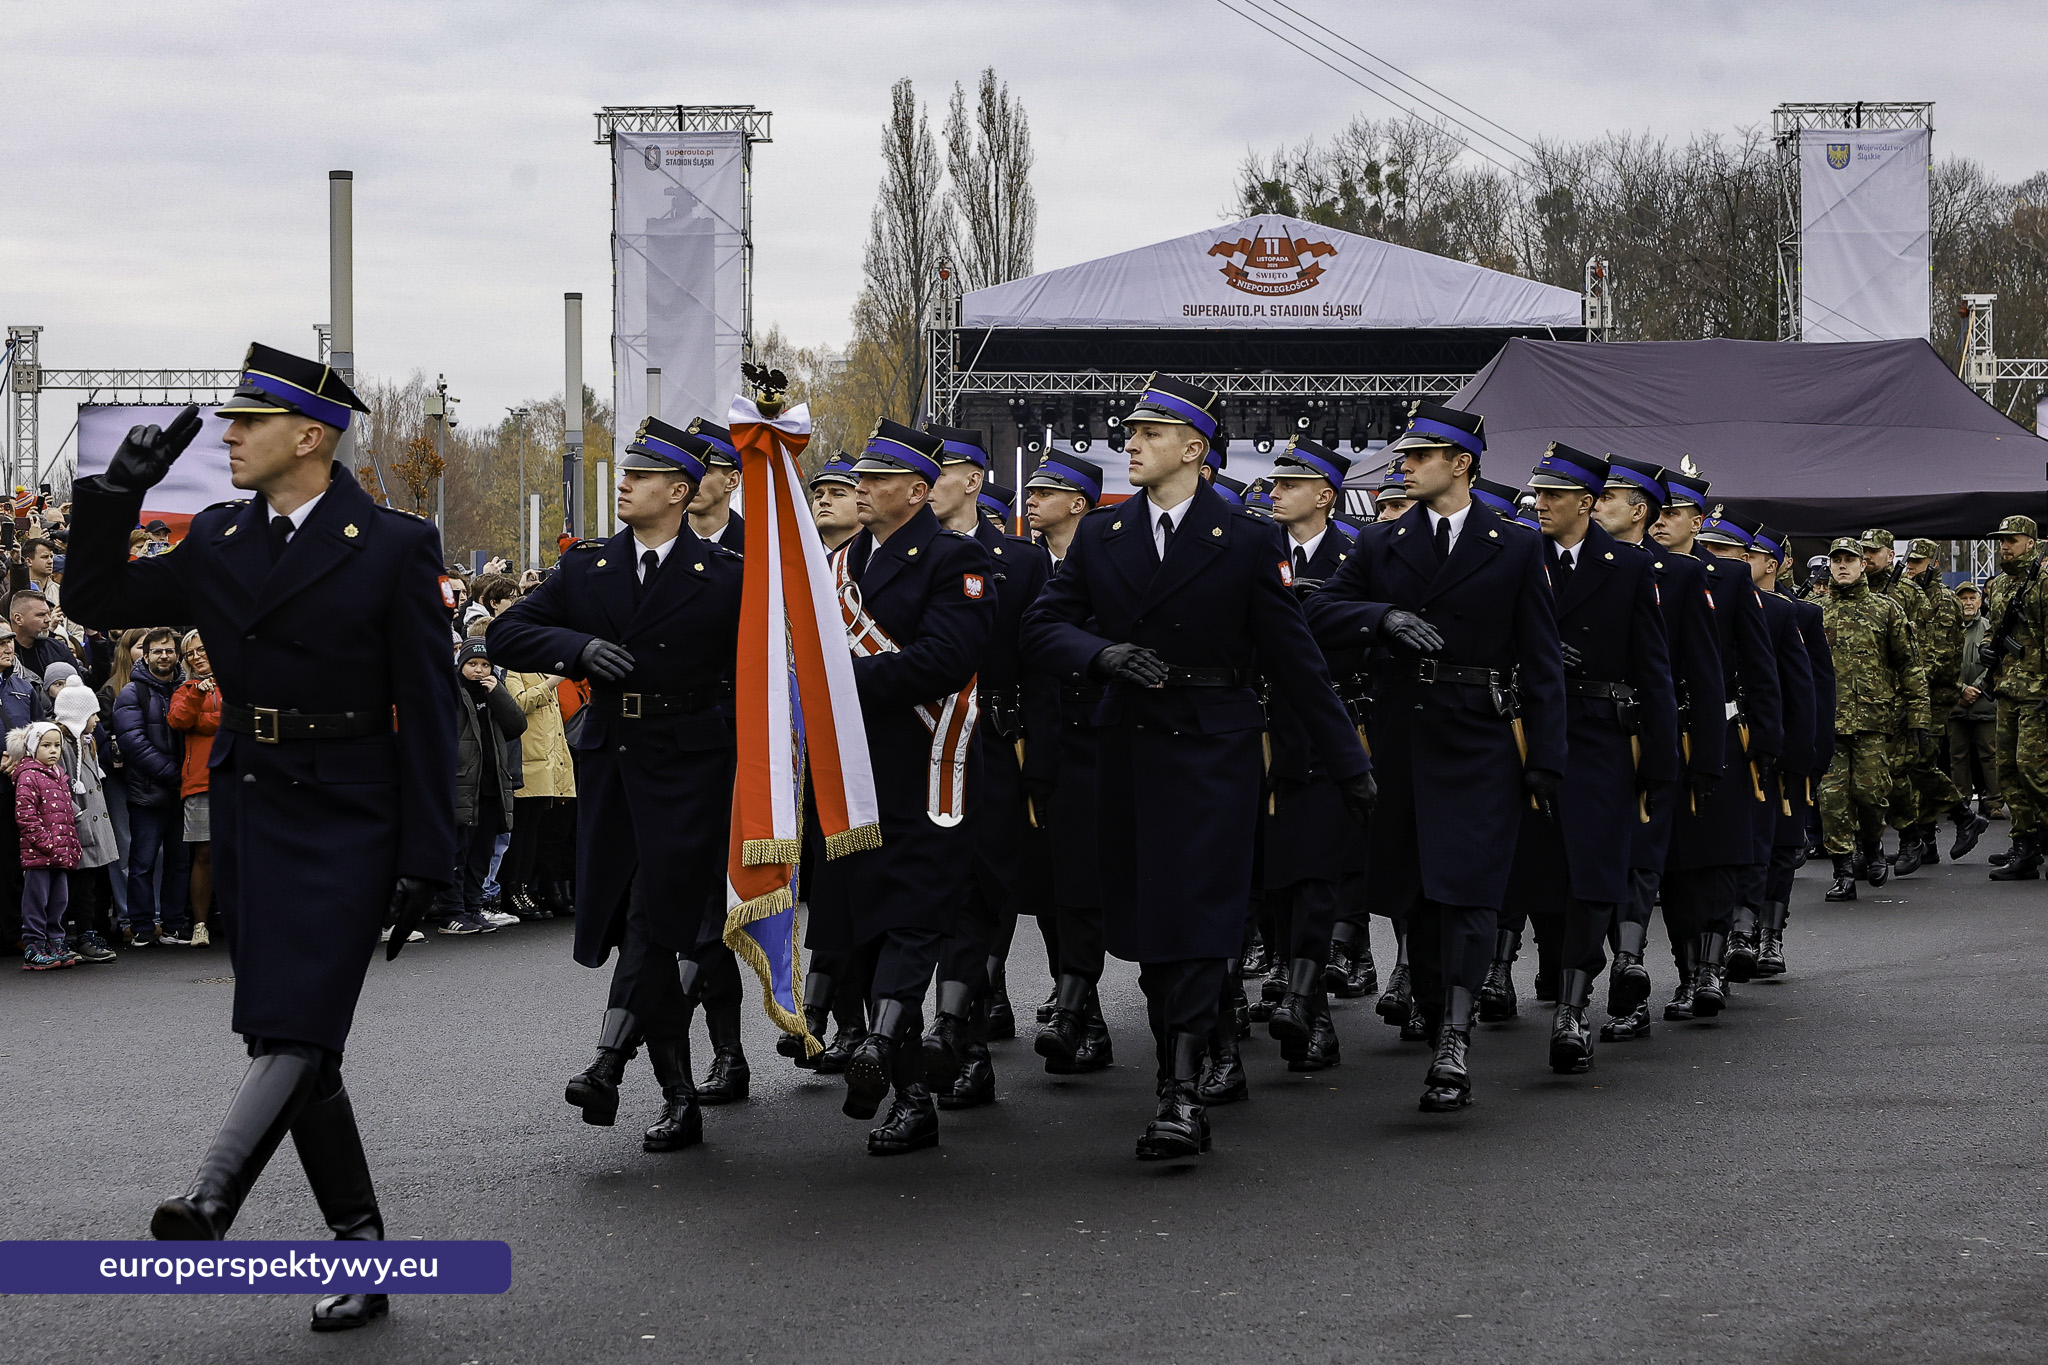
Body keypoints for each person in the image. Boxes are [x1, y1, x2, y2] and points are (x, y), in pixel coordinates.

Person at [63, 343, 457, 1335]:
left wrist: (426, 854)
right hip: (255, 802)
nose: (229, 436)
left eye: (249, 421)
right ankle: (364, 1247)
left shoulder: (394, 543)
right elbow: (95, 605)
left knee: (299, 1023)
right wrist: (117, 490)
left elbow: (430, 705)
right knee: (291, 1034)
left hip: (352, 805)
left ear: (310, 437)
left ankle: (210, 1198)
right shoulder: (218, 536)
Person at [1026, 376, 1370, 1154]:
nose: (1132, 443)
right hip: (1127, 744)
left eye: (1150, 432)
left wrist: (1348, 765)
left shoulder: (1247, 538)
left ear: (1193, 447)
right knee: (1148, 925)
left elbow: (1297, 659)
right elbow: (1043, 627)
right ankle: (1201, 1052)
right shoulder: (1103, 536)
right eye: (1130, 432)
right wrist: (1101, 652)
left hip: (1214, 748)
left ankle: (1179, 1093)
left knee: (1194, 919)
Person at [488, 415, 743, 1155]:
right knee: (644, 925)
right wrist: (578, 648)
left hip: (691, 762)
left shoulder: (724, 573)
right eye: (623, 473)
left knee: (651, 917)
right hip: (611, 758)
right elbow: (505, 635)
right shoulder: (588, 568)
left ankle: (617, 1066)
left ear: (678, 490)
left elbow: (758, 675)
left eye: (637, 476)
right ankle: (677, 1095)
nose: (622, 483)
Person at [1305, 400, 1561, 1112]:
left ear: (1461, 464)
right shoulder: (1382, 543)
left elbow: (1541, 659)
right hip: (1405, 732)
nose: (1404, 466)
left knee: (1471, 889)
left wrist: (1546, 757)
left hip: (1479, 735)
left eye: (1419, 456)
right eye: (1404, 456)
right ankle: (1427, 998)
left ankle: (1455, 1034)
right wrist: (1380, 617)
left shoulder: (1514, 545)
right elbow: (1321, 611)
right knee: (1415, 890)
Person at [812, 419, 993, 1156]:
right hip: (849, 774)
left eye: (877, 477)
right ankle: (913, 1096)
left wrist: (839, 683)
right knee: (862, 928)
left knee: (914, 918)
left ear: (916, 492)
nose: (861, 485)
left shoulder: (955, 559)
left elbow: (946, 658)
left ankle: (885, 1043)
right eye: (860, 475)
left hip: (925, 767)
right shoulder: (833, 564)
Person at [1501, 444, 1677, 1073]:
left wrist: (1660, 765)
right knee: (1535, 869)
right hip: (1530, 732)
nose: (1539, 504)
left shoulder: (1628, 568)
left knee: (1595, 872)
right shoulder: (1518, 555)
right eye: (1536, 494)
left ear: (1586, 501)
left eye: (1553, 494)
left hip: (1601, 737)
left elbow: (1654, 670)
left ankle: (1574, 1011)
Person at [916, 424, 1052, 1111]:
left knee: (986, 889)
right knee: (929, 896)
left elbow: (1042, 662)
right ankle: (951, 1038)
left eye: (938, 472)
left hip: (993, 742)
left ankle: (964, 1030)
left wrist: (1044, 759)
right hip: (917, 744)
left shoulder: (1021, 562)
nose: (925, 483)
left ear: (973, 479)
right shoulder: (903, 557)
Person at [1249, 436, 1368, 1085]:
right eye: (1274, 484)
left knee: (1317, 871)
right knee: (1277, 877)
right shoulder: (1258, 552)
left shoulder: (1356, 553)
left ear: (1325, 494)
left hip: (1330, 729)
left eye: (1290, 484)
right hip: (1267, 730)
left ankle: (1306, 1000)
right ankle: (1306, 1006)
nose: (1275, 493)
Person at [1649, 480, 1780, 1021]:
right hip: (1656, 731)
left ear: (1698, 519)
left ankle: (1710, 968)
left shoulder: (1726, 577)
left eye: (1675, 511)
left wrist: (1767, 740)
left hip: (1719, 731)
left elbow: (1758, 662)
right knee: (1675, 864)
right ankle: (1685, 971)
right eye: (1657, 511)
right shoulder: (1637, 569)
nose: (1662, 520)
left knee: (1717, 858)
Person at [1018, 453, 1116, 1072]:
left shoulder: (1111, 560)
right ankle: (1081, 1008)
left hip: (1110, 733)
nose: (1030, 498)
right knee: (1060, 885)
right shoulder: (1027, 567)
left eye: (1046, 490)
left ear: (1079, 503)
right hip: (1052, 742)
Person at [1817, 538, 1923, 901]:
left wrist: (1919, 717)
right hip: (1827, 722)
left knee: (1871, 794)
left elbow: (1909, 664)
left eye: (1850, 560)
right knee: (1831, 799)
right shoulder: (1814, 611)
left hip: (1874, 721)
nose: (1842, 566)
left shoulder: (1886, 609)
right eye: (1837, 560)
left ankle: (1873, 846)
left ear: (1863, 565)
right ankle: (1843, 870)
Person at [1902, 538, 1989, 863]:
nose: (1912, 567)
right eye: (1910, 561)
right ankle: (1928, 840)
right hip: (1915, 694)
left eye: (1919, 562)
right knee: (1919, 764)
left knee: (1920, 763)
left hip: (1935, 695)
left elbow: (1940, 657)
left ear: (1934, 564)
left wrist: (1907, 678)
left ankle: (1963, 817)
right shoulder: (1909, 596)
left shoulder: (1944, 601)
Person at [433, 640, 526, 933]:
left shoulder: (493, 692)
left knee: (481, 852)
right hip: (461, 782)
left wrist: (497, 691)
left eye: (485, 665)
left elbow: (516, 725)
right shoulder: (450, 691)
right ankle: (452, 912)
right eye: (473, 664)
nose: (479, 670)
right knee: (457, 851)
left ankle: (473, 908)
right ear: (461, 665)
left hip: (491, 783)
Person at [113, 626, 191, 947]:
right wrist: (176, 774)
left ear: (177, 654)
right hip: (148, 794)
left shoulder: (187, 688)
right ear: (145, 656)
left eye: (169, 650)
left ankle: (173, 924)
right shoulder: (132, 693)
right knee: (142, 864)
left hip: (181, 793)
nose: (164, 656)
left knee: (179, 863)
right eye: (157, 651)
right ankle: (142, 926)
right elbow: (134, 744)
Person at [1981, 516, 2048, 878]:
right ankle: (2024, 846)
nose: (2004, 546)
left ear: (2031, 543)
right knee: (2006, 770)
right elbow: (1993, 630)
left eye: (2012, 539)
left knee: (2033, 768)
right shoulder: (2002, 584)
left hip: (2038, 691)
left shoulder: (2043, 582)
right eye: (2001, 540)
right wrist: (1985, 649)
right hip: (2007, 688)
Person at [501, 661, 573, 923]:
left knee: (532, 831)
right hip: (526, 760)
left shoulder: (539, 669)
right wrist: (551, 682)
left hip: (546, 761)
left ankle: (523, 888)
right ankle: (511, 891)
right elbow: (517, 705)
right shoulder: (514, 669)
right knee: (519, 832)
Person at [13, 721, 80, 970]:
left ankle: (55, 941)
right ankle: (34, 945)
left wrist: (71, 845)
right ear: (32, 748)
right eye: (46, 745)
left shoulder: (60, 776)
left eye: (57, 745)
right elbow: (26, 816)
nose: (53, 750)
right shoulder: (28, 776)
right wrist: (46, 843)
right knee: (36, 900)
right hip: (38, 855)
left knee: (58, 900)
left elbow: (67, 816)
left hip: (60, 854)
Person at [167, 631, 219, 947]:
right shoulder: (185, 690)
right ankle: (200, 925)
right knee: (204, 853)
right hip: (200, 780)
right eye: (190, 653)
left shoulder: (239, 683)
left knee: (245, 853)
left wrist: (204, 720)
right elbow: (178, 720)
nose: (196, 656)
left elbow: (235, 719)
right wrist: (199, 696)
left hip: (240, 780)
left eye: (202, 649)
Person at [1952, 582, 2002, 818]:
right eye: (1963, 599)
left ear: (1980, 601)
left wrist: (1976, 688)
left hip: (1984, 703)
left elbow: (1995, 663)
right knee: (1958, 756)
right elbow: (1944, 663)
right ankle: (1961, 804)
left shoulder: (1989, 628)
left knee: (1989, 755)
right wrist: (1961, 689)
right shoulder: (1949, 629)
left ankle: (1994, 803)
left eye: (1972, 598)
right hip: (1956, 704)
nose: (1968, 603)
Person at [683, 418, 746, 553]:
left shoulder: (761, 549)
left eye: (703, 471)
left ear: (732, 481)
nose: (689, 480)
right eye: (684, 470)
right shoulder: (656, 542)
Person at [10, 590, 79, 679]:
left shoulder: (58, 649)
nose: (48, 619)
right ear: (18, 619)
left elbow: (78, 688)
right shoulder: (5, 653)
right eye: (41, 615)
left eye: (48, 614)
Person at [810, 453, 862, 552]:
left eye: (837, 494)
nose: (823, 501)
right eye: (818, 496)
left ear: (863, 501)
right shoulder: (794, 557)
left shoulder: (878, 556)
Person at [22, 536, 61, 607]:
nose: (50, 561)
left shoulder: (60, 592)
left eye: (51, 557)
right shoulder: (19, 591)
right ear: (28, 561)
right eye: (45, 557)